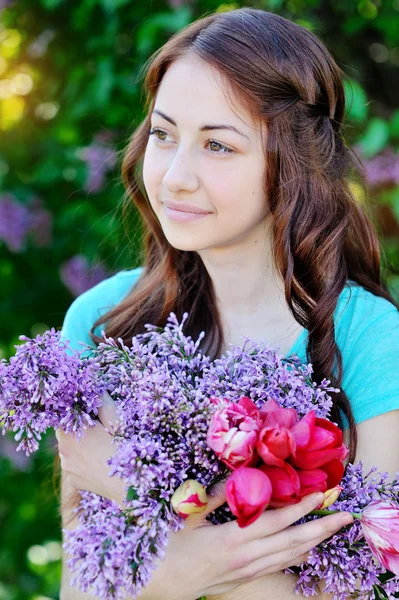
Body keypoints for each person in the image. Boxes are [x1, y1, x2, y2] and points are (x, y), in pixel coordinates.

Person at [57, 7, 399, 599]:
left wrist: (151, 517)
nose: (174, 177)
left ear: (293, 165)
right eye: (163, 135)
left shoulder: (370, 341)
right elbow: (80, 584)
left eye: (218, 145)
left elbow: (367, 587)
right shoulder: (101, 323)